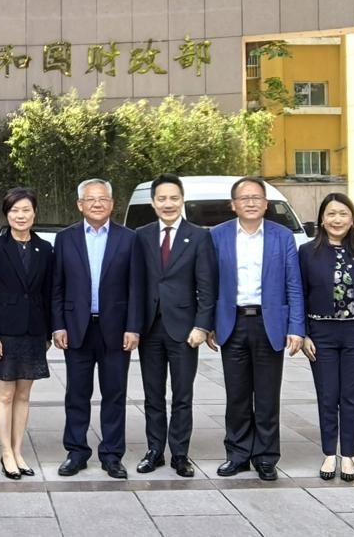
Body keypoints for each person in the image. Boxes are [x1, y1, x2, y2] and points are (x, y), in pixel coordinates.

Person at [210, 176, 304, 482]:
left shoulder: (282, 236)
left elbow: (293, 284)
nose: (251, 203)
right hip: (232, 321)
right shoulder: (217, 235)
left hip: (270, 323)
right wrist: (208, 324)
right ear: (233, 204)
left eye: (256, 198)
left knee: (266, 396)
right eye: (244, 198)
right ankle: (237, 454)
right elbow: (208, 284)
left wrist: (296, 327)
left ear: (266, 204)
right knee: (237, 395)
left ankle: (265, 456)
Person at [52, 178, 143, 479]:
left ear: (112, 203)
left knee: (114, 394)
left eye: (102, 198)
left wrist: (133, 326)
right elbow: (57, 286)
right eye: (90, 199)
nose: (97, 203)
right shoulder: (65, 238)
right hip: (77, 328)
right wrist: (58, 325)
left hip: (116, 329)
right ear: (80, 205)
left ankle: (112, 455)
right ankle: (76, 452)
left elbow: (136, 287)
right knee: (77, 394)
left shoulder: (129, 238)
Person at [132, 173, 215, 478]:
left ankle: (180, 454)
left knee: (182, 395)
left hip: (185, 330)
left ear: (182, 200)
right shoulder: (140, 235)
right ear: (153, 203)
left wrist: (202, 326)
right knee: (152, 395)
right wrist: (134, 326)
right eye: (162, 198)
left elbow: (207, 286)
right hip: (150, 328)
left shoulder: (199, 236)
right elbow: (135, 285)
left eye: (174, 198)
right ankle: (154, 450)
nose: (168, 204)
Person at [300, 193, 354, 482]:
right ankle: (328, 453)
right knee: (327, 396)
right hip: (320, 333)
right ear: (322, 219)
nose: (337, 219)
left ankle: (348, 455)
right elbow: (299, 294)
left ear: (352, 219)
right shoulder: (307, 252)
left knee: (351, 397)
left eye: (343, 214)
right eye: (331, 214)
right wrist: (304, 333)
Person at [0, 188, 53, 480]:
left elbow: (48, 293)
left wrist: (48, 333)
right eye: (14, 210)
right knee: (5, 394)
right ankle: (6, 452)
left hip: (34, 331)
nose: (20, 216)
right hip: (5, 332)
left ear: (34, 213)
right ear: (6, 214)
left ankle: (18, 450)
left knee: (24, 394)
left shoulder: (45, 248)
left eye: (26, 210)